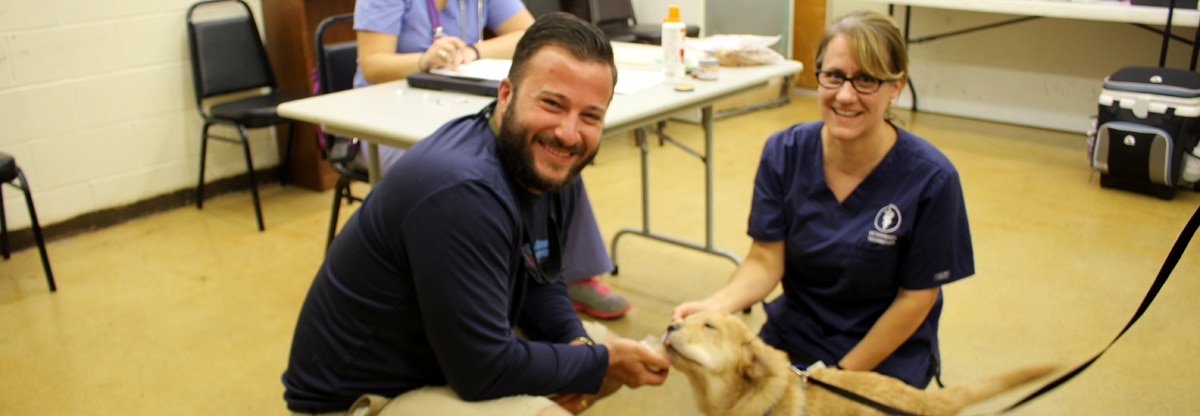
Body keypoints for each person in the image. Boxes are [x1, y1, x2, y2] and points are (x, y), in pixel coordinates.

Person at [284, 12, 669, 416]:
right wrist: (595, 363)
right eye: (552, 103)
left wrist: (577, 347)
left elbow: (543, 277)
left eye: (590, 115)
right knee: (578, 383)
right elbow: (483, 371)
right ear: (506, 94)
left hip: (443, 358)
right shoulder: (461, 192)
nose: (569, 133)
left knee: (593, 351)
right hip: (361, 396)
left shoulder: (551, 163)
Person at [672, 10, 974, 389]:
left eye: (866, 80)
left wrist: (838, 378)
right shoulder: (785, 152)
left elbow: (916, 298)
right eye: (833, 76)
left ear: (895, 86)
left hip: (886, 350)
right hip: (798, 332)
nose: (845, 95)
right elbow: (765, 261)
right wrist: (715, 307)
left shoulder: (931, 178)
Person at [353, 0, 630, 319]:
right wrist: (423, 60)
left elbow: (529, 32)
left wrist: (475, 51)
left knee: (553, 152)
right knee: (465, 182)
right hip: (389, 118)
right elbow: (372, 64)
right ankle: (490, 288)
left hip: (455, 104)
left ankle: (560, 275)